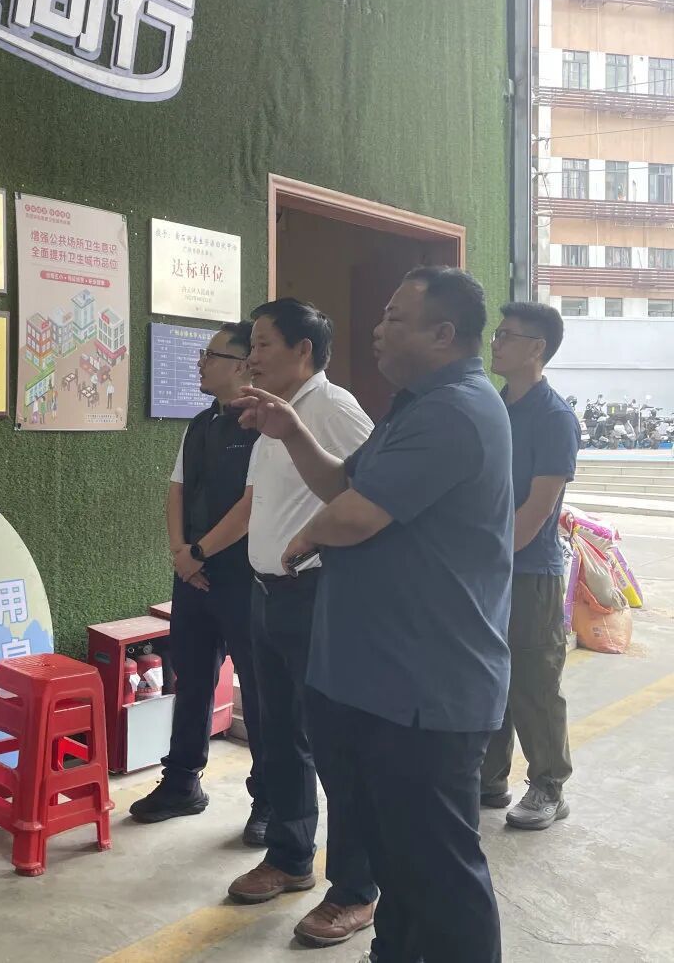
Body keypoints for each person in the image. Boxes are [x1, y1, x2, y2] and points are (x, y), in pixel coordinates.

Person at [235, 267, 512, 962]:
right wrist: (292, 430)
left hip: (426, 687)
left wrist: (307, 534)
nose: (378, 330)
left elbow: (355, 515)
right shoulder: (415, 405)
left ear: (443, 334)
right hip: (376, 677)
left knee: (440, 872)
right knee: (397, 859)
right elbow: (343, 482)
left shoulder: (456, 411)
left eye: (394, 318)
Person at [226, 299, 378, 951]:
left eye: (263, 344)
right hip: (267, 596)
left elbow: (370, 497)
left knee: (337, 745)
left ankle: (355, 890)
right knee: (279, 734)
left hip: (317, 596)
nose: (251, 357)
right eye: (251, 346)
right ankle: (290, 857)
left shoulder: (334, 409)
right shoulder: (271, 413)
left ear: (303, 351)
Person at [130, 323, 269, 843]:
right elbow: (177, 489)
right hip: (192, 573)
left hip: (243, 576)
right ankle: (182, 783)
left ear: (242, 364)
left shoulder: (265, 424)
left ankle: (269, 800)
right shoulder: (201, 422)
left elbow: (253, 505)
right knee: (190, 680)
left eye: (211, 355)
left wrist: (200, 552)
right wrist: (180, 554)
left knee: (260, 693)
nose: (200, 363)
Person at [481, 302, 579, 829]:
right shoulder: (495, 406)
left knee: (534, 683)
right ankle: (488, 778)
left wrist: (488, 561)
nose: (495, 343)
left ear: (537, 349)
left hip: (530, 572)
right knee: (490, 674)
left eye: (507, 336)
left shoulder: (554, 418)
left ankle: (548, 785)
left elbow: (538, 509)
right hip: (487, 567)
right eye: (497, 334)